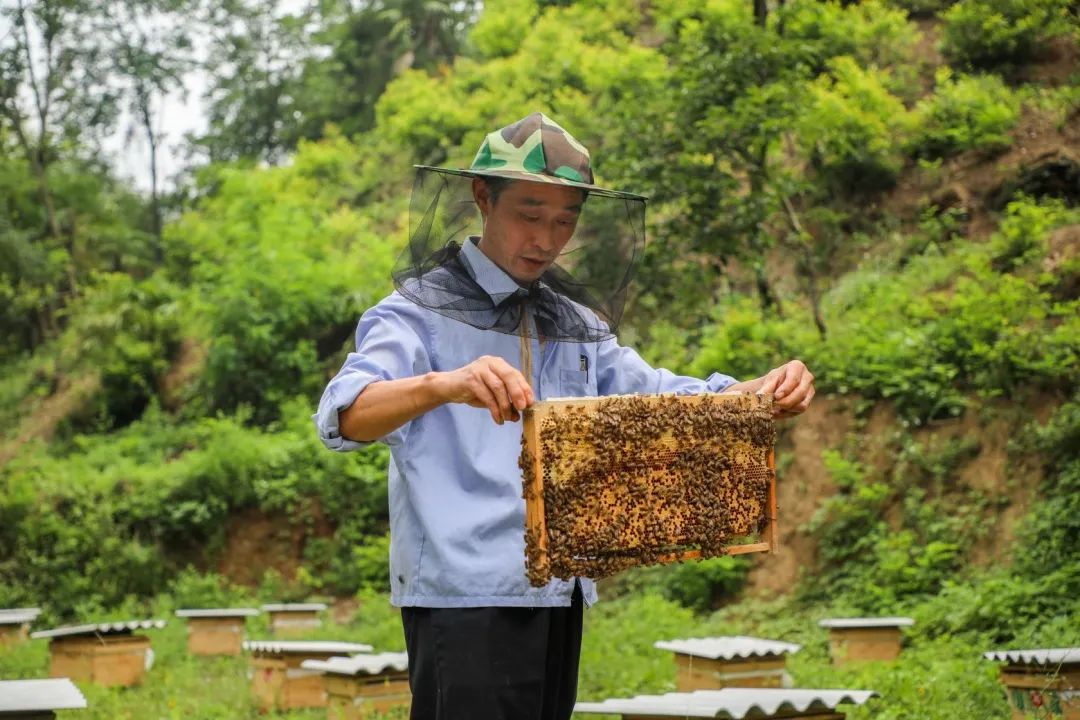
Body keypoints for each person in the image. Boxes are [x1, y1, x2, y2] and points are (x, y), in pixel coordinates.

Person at [313, 112, 815, 720]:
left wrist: (751, 394)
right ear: (482, 199)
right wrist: (444, 385)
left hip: (559, 591)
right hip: (465, 600)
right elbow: (344, 415)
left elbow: (654, 396)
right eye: (529, 215)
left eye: (564, 221)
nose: (546, 240)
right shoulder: (414, 316)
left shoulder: (573, 322)